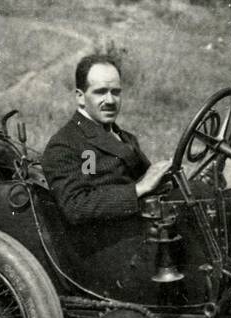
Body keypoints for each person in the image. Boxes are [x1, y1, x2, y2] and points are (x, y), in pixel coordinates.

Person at [42, 54, 171, 226]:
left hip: (143, 226)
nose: (110, 100)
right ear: (80, 97)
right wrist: (137, 189)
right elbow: (76, 206)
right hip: (111, 242)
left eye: (115, 92)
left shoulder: (124, 136)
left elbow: (147, 181)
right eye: (100, 92)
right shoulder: (67, 144)